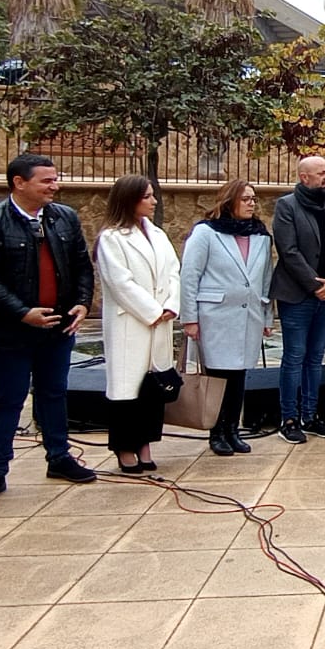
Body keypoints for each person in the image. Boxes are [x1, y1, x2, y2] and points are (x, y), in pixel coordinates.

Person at [0, 153, 98, 507]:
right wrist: (22, 313)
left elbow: (82, 265)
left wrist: (82, 302)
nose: (55, 186)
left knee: (54, 393)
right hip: (10, 332)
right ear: (19, 183)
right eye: (47, 181)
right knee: (9, 399)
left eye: (55, 179)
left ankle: (59, 457)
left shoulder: (64, 217)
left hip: (57, 327)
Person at [179, 180, 272, 456]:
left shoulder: (260, 235)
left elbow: (266, 279)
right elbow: (190, 276)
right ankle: (216, 431)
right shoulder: (206, 232)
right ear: (230, 201)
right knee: (218, 375)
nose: (251, 204)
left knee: (239, 374)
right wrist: (190, 318)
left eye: (253, 199)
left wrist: (267, 317)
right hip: (215, 315)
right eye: (245, 199)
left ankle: (232, 428)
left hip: (249, 315)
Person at [94, 176, 181, 473]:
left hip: (160, 322)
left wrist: (170, 305)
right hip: (131, 323)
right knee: (126, 389)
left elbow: (173, 272)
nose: (154, 201)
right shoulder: (111, 238)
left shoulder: (157, 233)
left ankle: (145, 443)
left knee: (152, 388)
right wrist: (152, 310)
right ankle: (125, 448)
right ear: (129, 200)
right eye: (147, 196)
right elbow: (120, 283)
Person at [270, 155, 325, 443]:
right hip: (298, 295)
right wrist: (316, 285)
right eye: (321, 173)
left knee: (316, 358)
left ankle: (310, 415)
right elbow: (288, 250)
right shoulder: (286, 206)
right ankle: (289, 419)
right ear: (304, 177)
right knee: (295, 357)